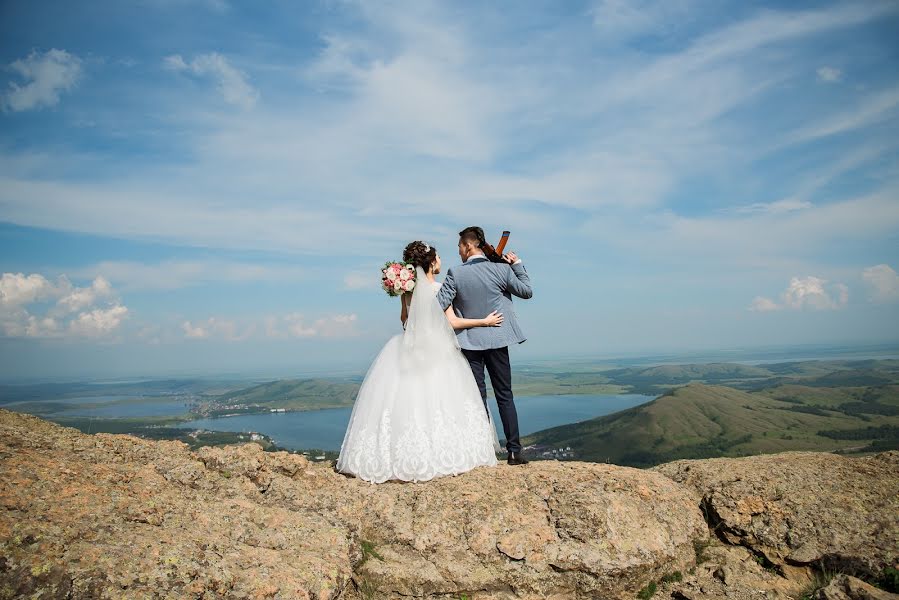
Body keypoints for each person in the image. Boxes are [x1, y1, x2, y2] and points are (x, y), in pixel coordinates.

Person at [336, 241, 502, 483]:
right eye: (439, 258)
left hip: (408, 346)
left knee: (402, 401)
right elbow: (452, 322)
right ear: (432, 262)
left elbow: (404, 319)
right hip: (438, 351)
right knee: (442, 400)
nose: (441, 261)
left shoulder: (407, 290)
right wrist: (484, 322)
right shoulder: (440, 289)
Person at [437, 226, 533, 465]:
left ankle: (481, 452)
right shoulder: (501, 269)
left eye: (459, 246)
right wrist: (517, 264)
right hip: (499, 340)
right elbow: (526, 291)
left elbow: (437, 305)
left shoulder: (455, 274)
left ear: (469, 246)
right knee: (504, 396)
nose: (458, 252)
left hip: (469, 343)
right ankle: (513, 451)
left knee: (477, 397)